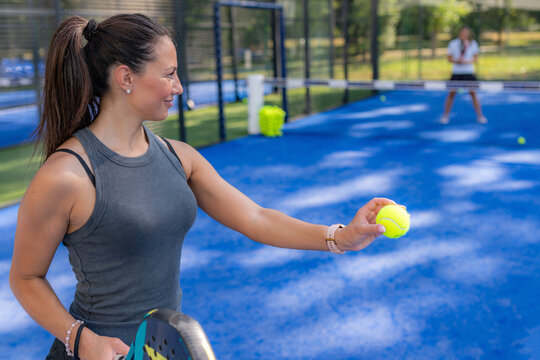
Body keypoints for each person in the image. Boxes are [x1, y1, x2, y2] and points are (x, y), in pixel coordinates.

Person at [9, 14, 400, 360]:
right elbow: (25, 278)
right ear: (126, 77)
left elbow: (255, 217)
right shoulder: (67, 175)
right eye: (169, 74)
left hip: (157, 351)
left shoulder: (180, 157)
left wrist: (341, 238)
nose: (179, 87)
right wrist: (81, 340)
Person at [440, 26, 487, 125]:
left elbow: (475, 58)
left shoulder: (473, 43)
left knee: (473, 94)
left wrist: (466, 62)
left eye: (466, 33)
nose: (464, 34)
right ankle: (445, 116)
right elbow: (449, 58)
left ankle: (480, 116)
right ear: (459, 33)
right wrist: (457, 61)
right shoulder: (453, 43)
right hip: (456, 73)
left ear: (468, 34)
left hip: (469, 73)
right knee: (451, 94)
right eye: (462, 32)